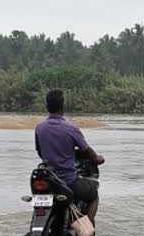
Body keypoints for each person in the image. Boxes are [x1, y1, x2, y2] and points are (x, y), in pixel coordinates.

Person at [35, 89, 105, 227]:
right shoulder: (71, 129)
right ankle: (87, 230)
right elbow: (88, 151)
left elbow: (40, 152)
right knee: (94, 194)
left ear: (47, 106)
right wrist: (98, 159)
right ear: (62, 106)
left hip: (49, 180)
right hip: (68, 181)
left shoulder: (39, 128)